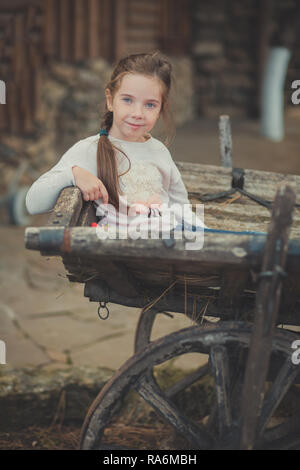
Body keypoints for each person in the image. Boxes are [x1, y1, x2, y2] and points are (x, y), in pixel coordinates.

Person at [25, 51, 205, 237]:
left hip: (164, 250)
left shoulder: (159, 152)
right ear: (110, 101)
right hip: (115, 258)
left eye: (150, 105)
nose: (138, 113)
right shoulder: (89, 150)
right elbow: (33, 203)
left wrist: (203, 236)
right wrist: (74, 174)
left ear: (161, 109)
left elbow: (181, 208)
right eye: (127, 100)